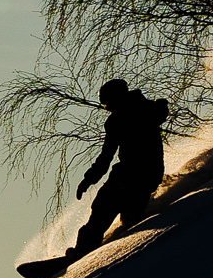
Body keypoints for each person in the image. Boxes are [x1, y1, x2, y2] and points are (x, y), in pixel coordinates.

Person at [72, 76, 172, 252]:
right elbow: (160, 110)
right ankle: (123, 245)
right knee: (130, 214)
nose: (107, 109)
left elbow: (106, 157)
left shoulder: (118, 119)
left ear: (115, 98)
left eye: (107, 104)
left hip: (129, 175)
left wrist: (88, 180)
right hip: (151, 174)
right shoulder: (146, 108)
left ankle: (84, 249)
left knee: (103, 206)